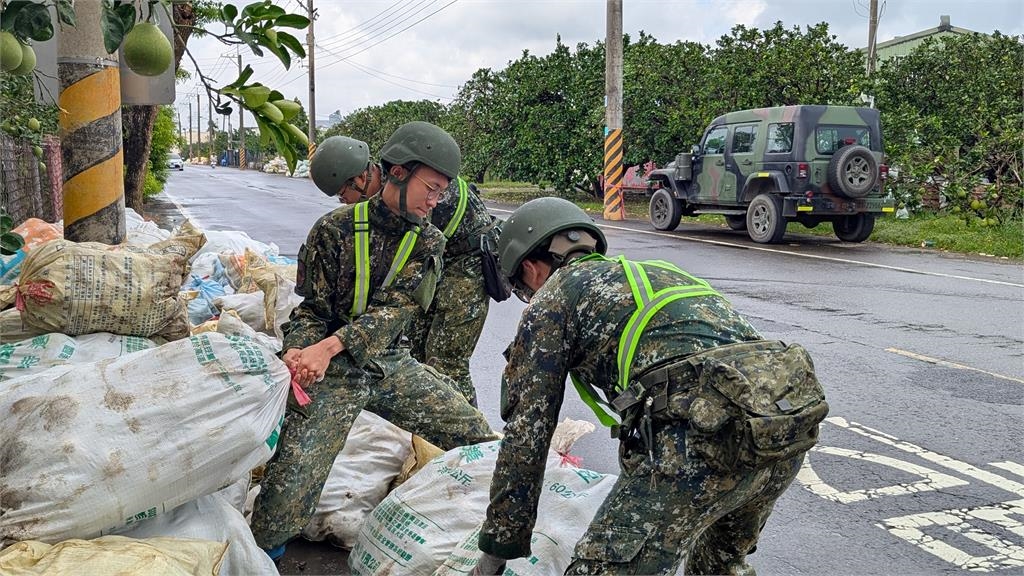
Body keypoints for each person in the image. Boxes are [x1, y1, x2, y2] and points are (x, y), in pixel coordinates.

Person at [473, 197, 828, 575]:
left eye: (523, 291)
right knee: (717, 567)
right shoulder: (653, 274)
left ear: (530, 268)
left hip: (701, 438)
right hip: (780, 431)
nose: (529, 299)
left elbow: (526, 437)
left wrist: (494, 555)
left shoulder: (554, 297)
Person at [250, 121, 498, 561]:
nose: (435, 200)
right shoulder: (332, 230)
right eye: (431, 188)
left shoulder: (429, 240)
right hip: (333, 375)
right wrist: (297, 350)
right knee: (290, 484)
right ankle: (261, 559)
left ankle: (499, 536)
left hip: (390, 364)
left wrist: (327, 347)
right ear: (398, 172)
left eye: (442, 192)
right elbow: (312, 310)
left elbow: (397, 310)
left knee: (476, 435)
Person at [309, 135, 500, 405]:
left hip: (467, 262)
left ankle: (463, 424)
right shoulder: (388, 192)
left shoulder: (412, 193)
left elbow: (405, 265)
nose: (344, 202)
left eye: (343, 194)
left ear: (360, 179)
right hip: (439, 258)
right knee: (415, 350)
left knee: (446, 359)